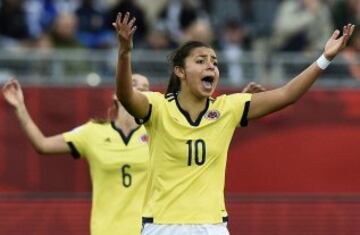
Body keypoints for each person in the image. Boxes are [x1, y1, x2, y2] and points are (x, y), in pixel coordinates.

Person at [112, 11, 355, 235]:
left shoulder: (228, 108)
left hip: (212, 226)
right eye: (201, 61)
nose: (211, 66)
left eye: (215, 62)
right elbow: (126, 96)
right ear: (180, 72)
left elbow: (287, 95)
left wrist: (325, 58)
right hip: (163, 225)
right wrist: (124, 53)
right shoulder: (158, 107)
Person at [2, 74, 150, 235]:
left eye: (145, 88)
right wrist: (20, 108)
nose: (140, 89)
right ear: (116, 94)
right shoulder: (93, 132)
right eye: (133, 84)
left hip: (148, 230)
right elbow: (43, 144)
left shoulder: (156, 132)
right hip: (106, 230)